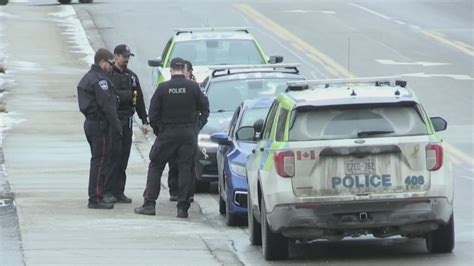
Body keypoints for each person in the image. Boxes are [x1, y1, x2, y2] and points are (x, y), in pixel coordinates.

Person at [135, 57, 209, 218]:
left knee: (156, 166)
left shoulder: (163, 88)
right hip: (188, 134)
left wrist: (159, 131)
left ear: (170, 70)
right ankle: (182, 208)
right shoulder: (194, 87)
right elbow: (205, 110)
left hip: (167, 134)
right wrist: (196, 128)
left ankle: (149, 204)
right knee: (185, 168)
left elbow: (153, 115)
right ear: (184, 70)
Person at [103, 44, 148, 204]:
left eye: (128, 57)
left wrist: (144, 119)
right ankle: (107, 190)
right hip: (113, 121)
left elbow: (139, 98)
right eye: (124, 57)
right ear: (115, 57)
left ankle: (118, 190)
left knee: (123, 157)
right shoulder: (108, 74)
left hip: (127, 121)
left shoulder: (132, 77)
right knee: (112, 156)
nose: (126, 60)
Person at [77, 48, 122, 209]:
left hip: (91, 123)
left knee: (99, 160)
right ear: (102, 62)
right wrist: (117, 126)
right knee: (100, 161)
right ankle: (95, 198)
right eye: (110, 63)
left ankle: (97, 195)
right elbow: (107, 106)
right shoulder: (99, 80)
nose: (111, 67)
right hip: (99, 125)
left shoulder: (87, 78)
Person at [168, 60, 197, 202]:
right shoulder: (167, 87)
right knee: (173, 163)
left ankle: (186, 195)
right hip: (172, 131)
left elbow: (204, 109)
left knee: (187, 165)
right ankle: (175, 191)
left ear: (190, 71)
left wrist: (197, 127)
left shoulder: (195, 87)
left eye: (186, 70)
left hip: (189, 131)